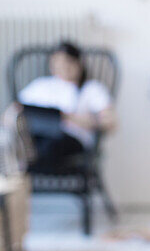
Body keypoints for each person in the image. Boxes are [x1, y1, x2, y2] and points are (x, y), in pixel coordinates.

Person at [14, 41, 115, 171]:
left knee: (48, 145)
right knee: (14, 139)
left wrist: (67, 117)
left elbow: (110, 122)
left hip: (69, 139)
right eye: (57, 62)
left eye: (67, 61)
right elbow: (15, 109)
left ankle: (21, 167)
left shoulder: (91, 89)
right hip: (34, 134)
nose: (62, 66)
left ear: (79, 63)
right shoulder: (40, 85)